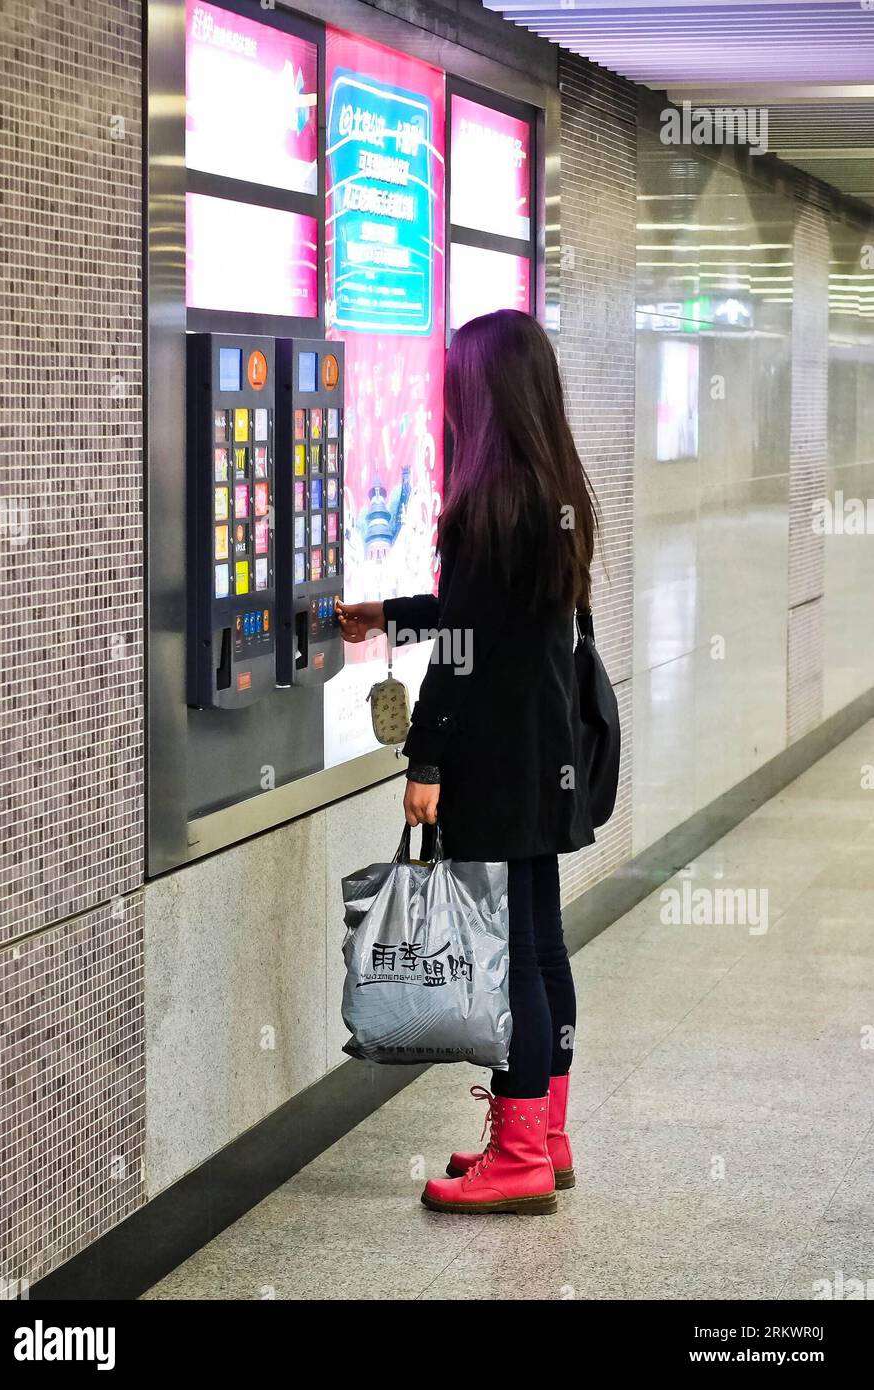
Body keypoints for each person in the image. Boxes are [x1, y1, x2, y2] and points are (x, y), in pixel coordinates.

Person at [337, 309, 599, 1216]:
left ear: (477, 395)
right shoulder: (555, 494)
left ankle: (519, 1152)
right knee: (541, 945)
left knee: (514, 955)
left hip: (495, 758)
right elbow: (484, 620)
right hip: (546, 755)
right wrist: (387, 615)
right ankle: (545, 1131)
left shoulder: (487, 502)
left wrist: (426, 760)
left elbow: (462, 654)